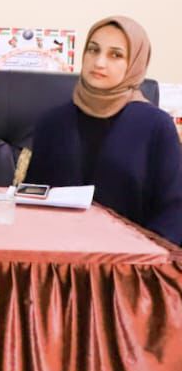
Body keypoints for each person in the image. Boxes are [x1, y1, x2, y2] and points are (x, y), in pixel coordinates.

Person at [28, 16, 182, 243]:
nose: (99, 62)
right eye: (93, 50)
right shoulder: (52, 123)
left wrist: (143, 255)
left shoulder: (156, 126)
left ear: (135, 63)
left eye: (115, 55)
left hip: (131, 257)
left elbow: (174, 212)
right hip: (56, 253)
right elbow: (32, 200)